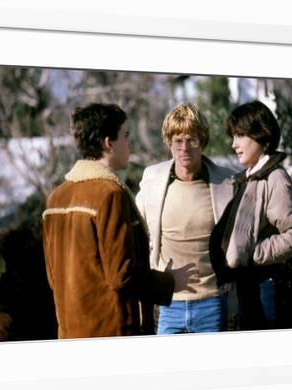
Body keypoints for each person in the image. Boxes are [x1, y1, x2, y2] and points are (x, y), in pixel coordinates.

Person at [42, 103, 193, 339]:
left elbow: (53, 278)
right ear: (108, 142)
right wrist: (169, 282)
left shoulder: (55, 198)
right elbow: (123, 275)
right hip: (112, 332)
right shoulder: (110, 194)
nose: (129, 144)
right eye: (125, 135)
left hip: (70, 332)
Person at [135, 103, 235, 334]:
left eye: (192, 140)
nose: (184, 148)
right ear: (169, 143)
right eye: (178, 141)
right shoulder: (153, 180)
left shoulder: (227, 182)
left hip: (212, 301)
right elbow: (135, 230)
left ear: (203, 141)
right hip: (169, 303)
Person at [210, 100, 292, 330]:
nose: (234, 144)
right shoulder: (250, 177)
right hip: (248, 286)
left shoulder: (274, 178)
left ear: (261, 135)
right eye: (233, 136)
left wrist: (252, 253)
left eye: (240, 135)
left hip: (264, 287)